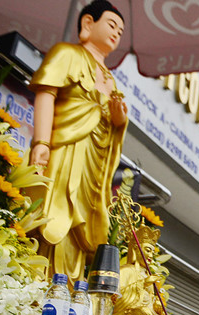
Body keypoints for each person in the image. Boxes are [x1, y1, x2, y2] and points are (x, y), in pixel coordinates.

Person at [28, 0, 128, 283]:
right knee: (53, 217)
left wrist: (118, 121)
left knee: (79, 228)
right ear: (87, 23)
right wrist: (42, 142)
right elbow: (46, 93)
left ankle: (68, 289)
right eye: (111, 25)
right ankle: (36, 287)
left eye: (120, 31)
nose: (116, 33)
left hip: (93, 166)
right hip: (63, 151)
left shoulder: (111, 80)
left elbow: (110, 125)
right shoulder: (67, 53)